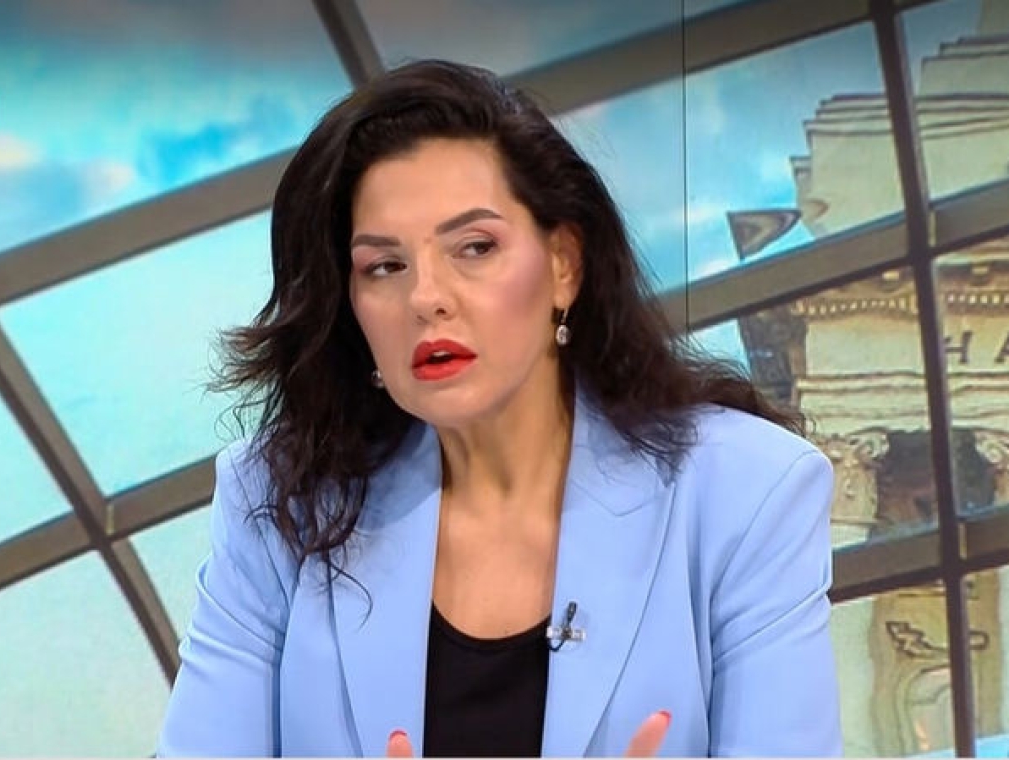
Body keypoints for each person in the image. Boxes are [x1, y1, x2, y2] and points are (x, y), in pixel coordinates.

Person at [156, 59, 841, 757]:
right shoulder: (280, 502)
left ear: (564, 264)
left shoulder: (744, 494)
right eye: (384, 266)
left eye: (475, 248)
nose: (427, 297)